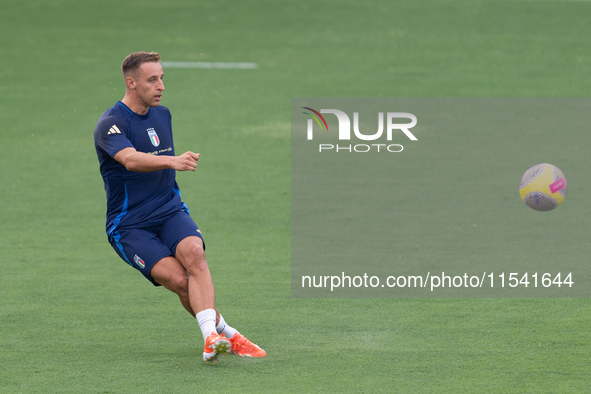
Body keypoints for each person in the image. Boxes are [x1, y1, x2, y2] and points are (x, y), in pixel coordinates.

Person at [93, 51, 265, 364]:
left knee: (195, 256)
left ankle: (211, 339)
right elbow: (130, 160)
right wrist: (172, 160)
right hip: (129, 225)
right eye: (152, 79)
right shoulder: (111, 124)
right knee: (179, 281)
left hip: (170, 211)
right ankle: (226, 332)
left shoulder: (163, 115)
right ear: (131, 83)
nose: (160, 86)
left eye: (161, 78)